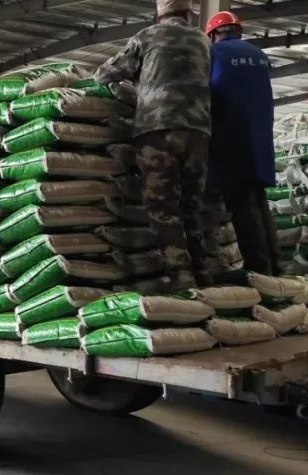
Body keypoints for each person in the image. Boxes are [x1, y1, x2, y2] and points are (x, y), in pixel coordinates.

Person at [94, 0, 213, 290]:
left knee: (163, 206)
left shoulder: (146, 37)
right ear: (188, 13)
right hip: (198, 130)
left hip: (157, 129)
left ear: (158, 14)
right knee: (191, 206)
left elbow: (105, 74)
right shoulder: (203, 41)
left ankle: (182, 276)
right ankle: (203, 272)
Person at [205, 11, 280, 275]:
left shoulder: (214, 53)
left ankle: (259, 270)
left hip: (231, 138)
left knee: (241, 204)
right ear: (238, 30)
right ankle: (275, 265)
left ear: (212, 34)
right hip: (260, 141)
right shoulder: (260, 55)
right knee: (258, 200)